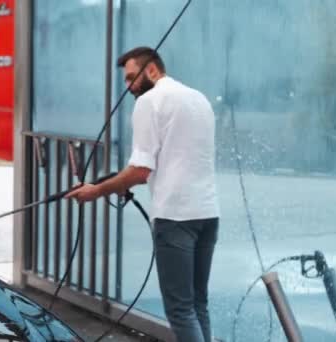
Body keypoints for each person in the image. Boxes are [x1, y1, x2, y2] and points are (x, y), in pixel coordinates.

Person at [65, 46, 220, 342]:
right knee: (197, 304)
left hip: (175, 218)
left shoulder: (150, 101)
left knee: (180, 310)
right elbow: (172, 157)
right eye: (126, 80)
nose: (129, 87)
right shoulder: (198, 99)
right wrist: (119, 181)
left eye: (132, 78)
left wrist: (96, 190)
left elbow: (140, 170)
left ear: (152, 70)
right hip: (208, 214)